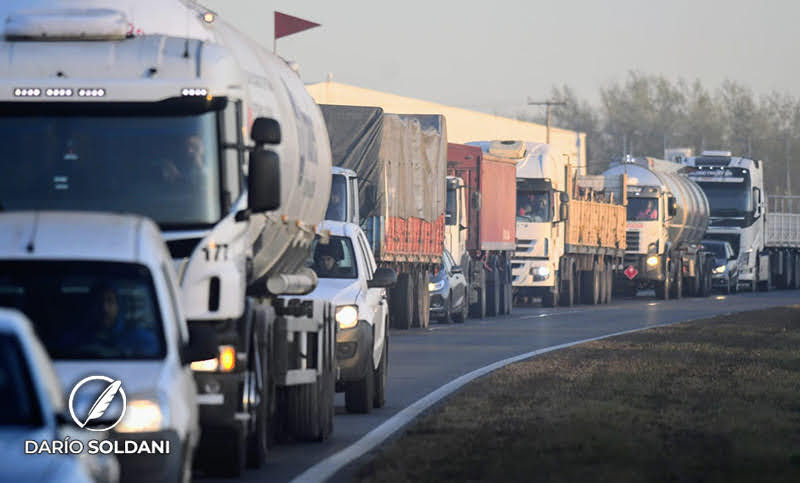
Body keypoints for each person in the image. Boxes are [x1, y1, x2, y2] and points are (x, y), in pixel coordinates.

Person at [84, 285, 160, 357]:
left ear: (119, 306)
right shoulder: (78, 340)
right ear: (91, 307)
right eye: (98, 302)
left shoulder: (141, 339)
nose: (104, 309)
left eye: (110, 301)